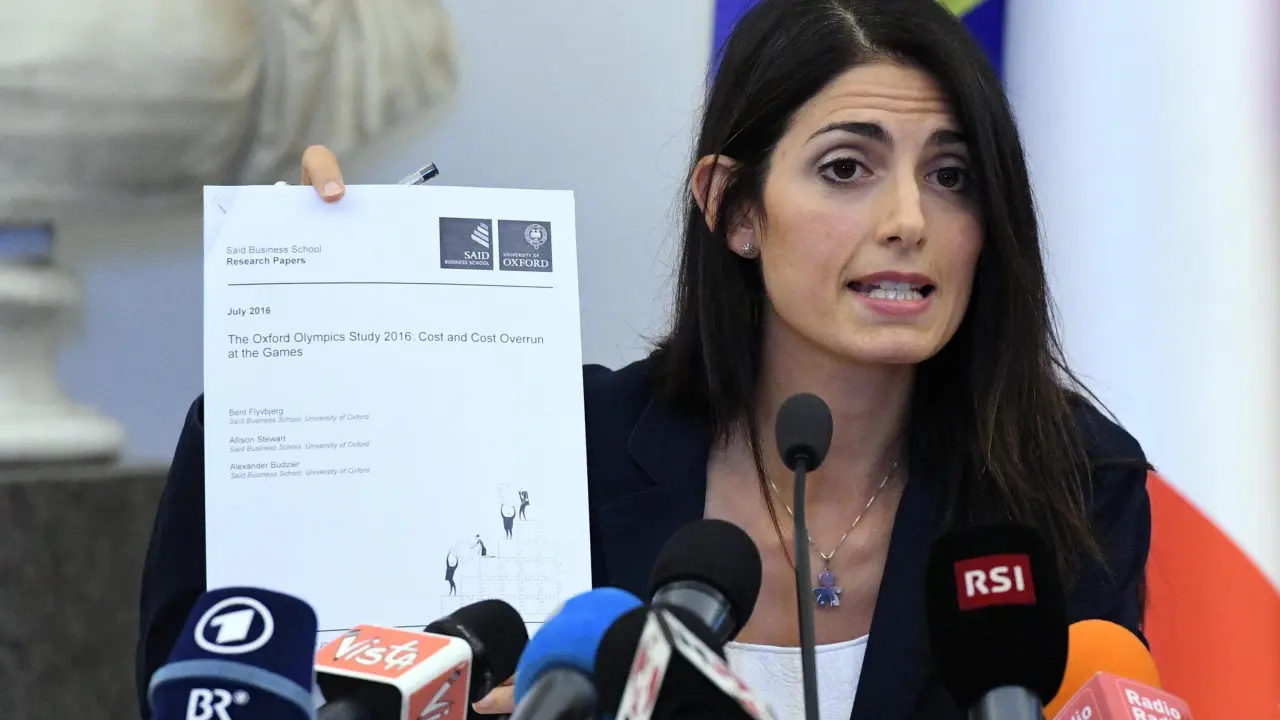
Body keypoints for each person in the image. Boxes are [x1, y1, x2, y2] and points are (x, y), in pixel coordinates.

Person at [136, 0, 1152, 718]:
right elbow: (236, 653)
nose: (908, 220)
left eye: (951, 176)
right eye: (847, 168)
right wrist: (315, 324)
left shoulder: (1069, 483)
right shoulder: (559, 450)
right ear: (732, 207)